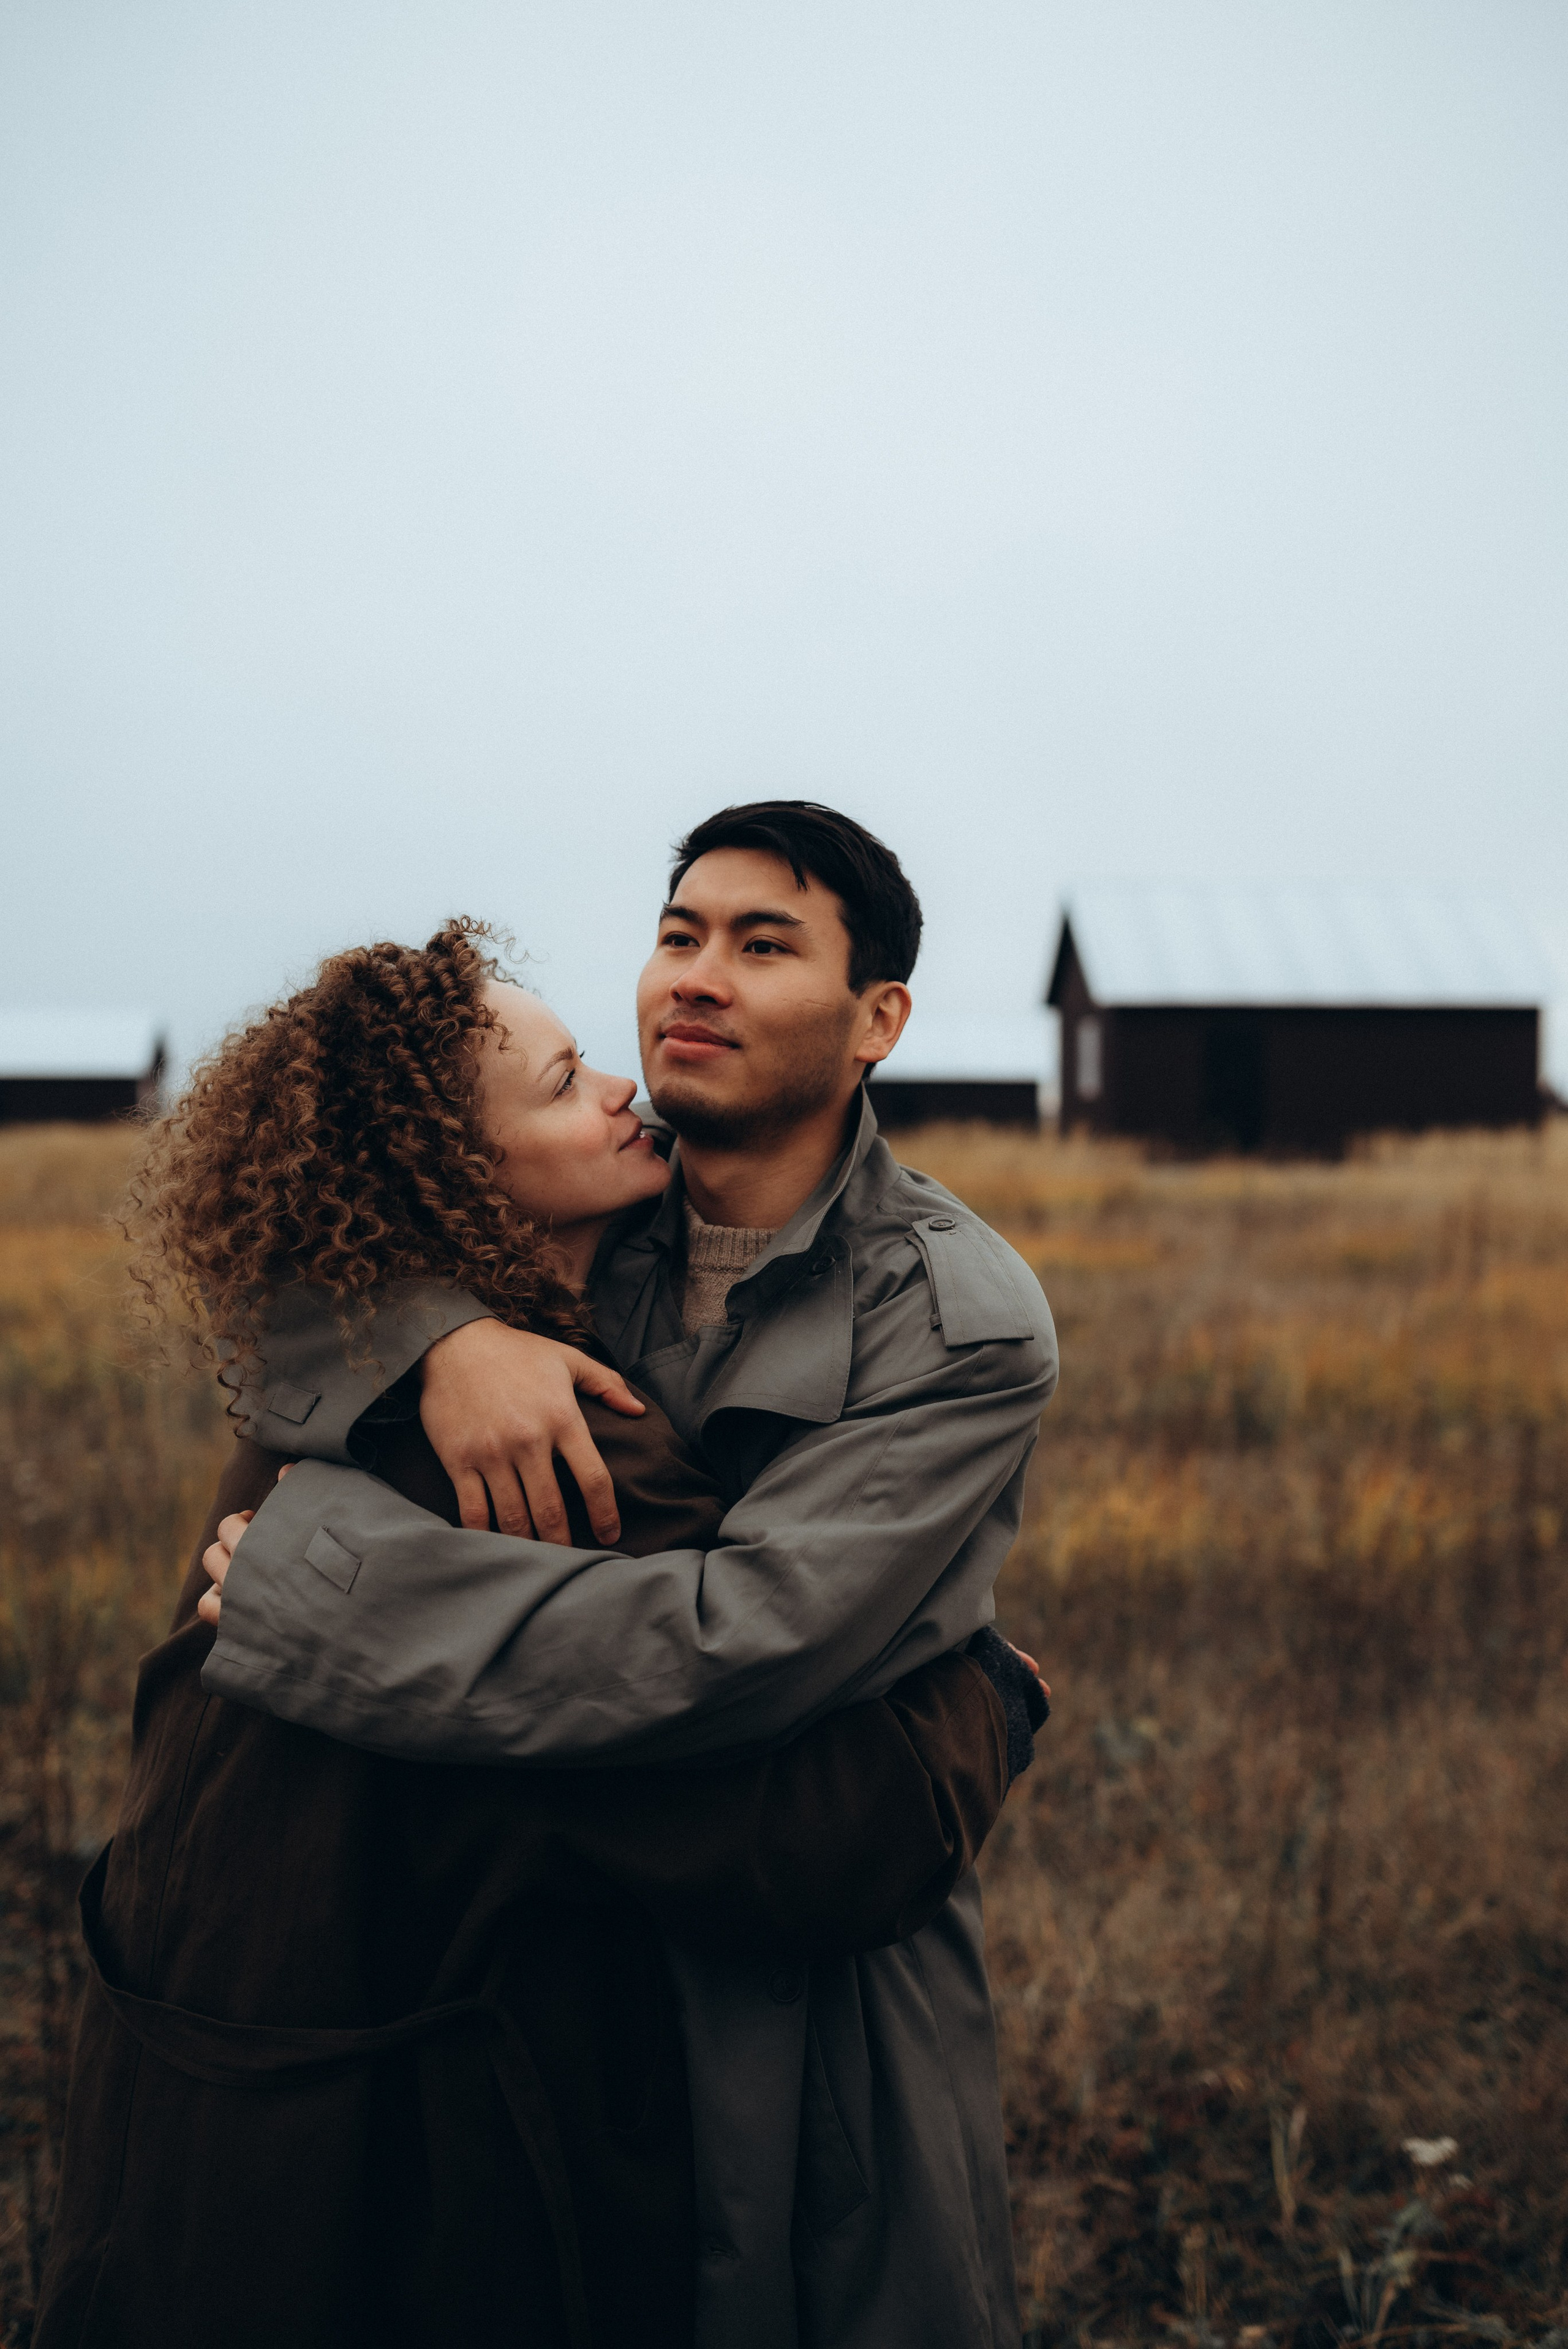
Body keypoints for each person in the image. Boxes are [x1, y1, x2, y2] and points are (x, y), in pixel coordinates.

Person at [35, 921, 1041, 2349]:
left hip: (216, 2142)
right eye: (565, 1083)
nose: (618, 1091)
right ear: (461, 1182)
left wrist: (438, 1333)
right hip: (415, 2164)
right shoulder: (548, 1459)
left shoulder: (320, 1404)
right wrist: (978, 1697)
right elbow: (813, 1833)